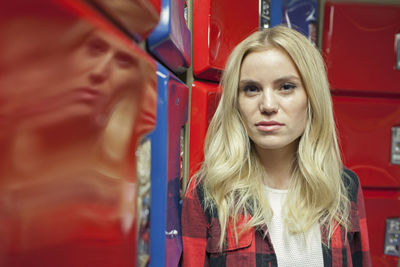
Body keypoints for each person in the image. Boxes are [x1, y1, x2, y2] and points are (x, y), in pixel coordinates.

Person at [181, 25, 371, 267]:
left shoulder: (345, 187)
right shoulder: (207, 192)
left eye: (286, 87)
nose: (268, 105)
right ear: (236, 102)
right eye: (251, 89)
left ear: (311, 98)